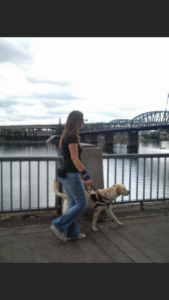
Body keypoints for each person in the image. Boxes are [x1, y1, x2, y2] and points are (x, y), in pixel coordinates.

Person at [50, 110, 94, 242]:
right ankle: (58, 225)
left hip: (66, 173)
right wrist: (86, 176)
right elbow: (75, 159)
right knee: (81, 204)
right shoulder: (73, 137)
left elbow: (70, 158)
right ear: (77, 121)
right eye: (82, 120)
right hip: (71, 174)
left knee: (72, 204)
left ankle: (72, 233)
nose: (83, 123)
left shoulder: (67, 135)